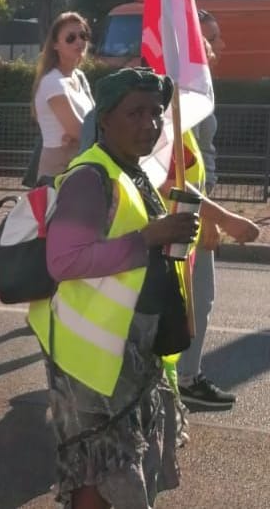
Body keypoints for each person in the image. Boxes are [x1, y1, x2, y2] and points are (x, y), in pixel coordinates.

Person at [35, 68, 199, 509]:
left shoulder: (134, 173)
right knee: (99, 470)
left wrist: (175, 234)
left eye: (156, 113)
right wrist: (148, 237)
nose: (150, 123)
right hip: (91, 359)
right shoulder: (91, 177)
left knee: (115, 468)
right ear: (105, 119)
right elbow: (64, 261)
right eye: (136, 113)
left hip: (128, 353)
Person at [175, 11, 259, 407]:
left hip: (196, 206)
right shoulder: (182, 95)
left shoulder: (198, 91)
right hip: (186, 211)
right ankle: (184, 379)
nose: (217, 46)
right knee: (195, 300)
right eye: (210, 39)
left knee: (194, 300)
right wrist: (217, 217)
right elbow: (173, 170)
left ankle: (179, 378)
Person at [32, 12, 95, 181]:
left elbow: (93, 122)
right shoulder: (53, 81)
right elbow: (78, 131)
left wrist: (84, 135)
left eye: (83, 35)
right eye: (70, 38)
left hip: (80, 161)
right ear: (55, 45)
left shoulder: (80, 77)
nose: (79, 42)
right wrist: (83, 135)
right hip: (58, 168)